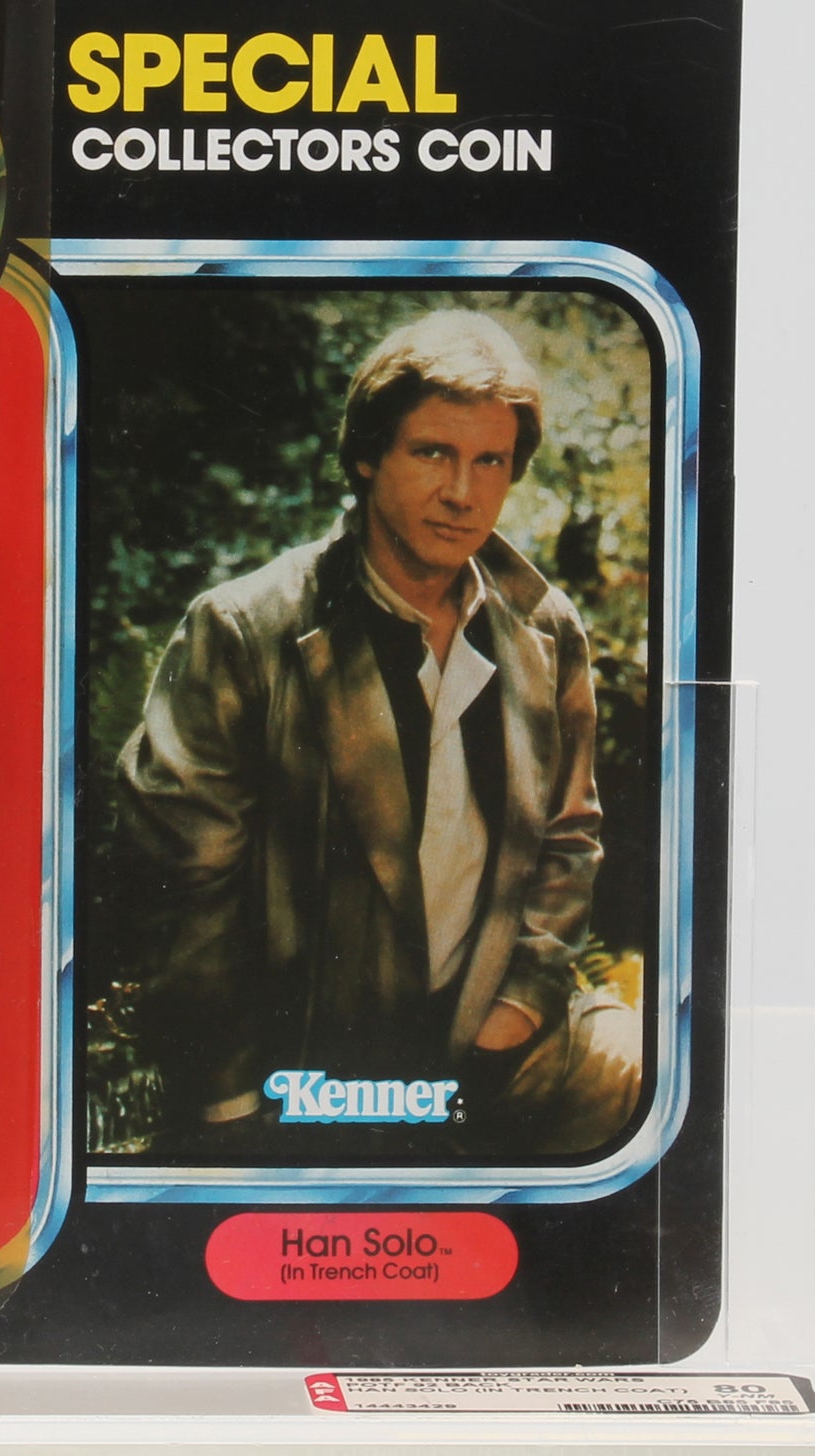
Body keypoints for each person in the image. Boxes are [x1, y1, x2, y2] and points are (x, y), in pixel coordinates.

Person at [118, 310, 641, 1157]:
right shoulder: (243, 631)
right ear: (367, 455)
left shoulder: (545, 627)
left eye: (490, 461)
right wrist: (229, 1105)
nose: (462, 492)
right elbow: (183, 890)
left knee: (644, 1074)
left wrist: (515, 1013)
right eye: (432, 453)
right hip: (310, 1071)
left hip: (491, 1046)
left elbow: (568, 838)